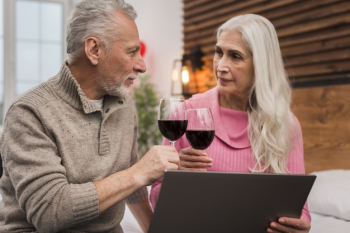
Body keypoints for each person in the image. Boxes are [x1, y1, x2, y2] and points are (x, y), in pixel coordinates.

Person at [0, 0, 179, 232]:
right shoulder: (29, 113)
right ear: (94, 50)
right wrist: (138, 173)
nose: (142, 65)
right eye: (132, 51)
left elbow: (133, 183)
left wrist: (153, 228)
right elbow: (50, 212)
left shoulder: (123, 104)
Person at [151, 14, 311, 233]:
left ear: (260, 65)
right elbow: (156, 197)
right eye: (219, 52)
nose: (221, 66)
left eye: (235, 56)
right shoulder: (185, 113)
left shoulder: (285, 124)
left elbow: (299, 207)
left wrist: (297, 224)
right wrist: (179, 180)